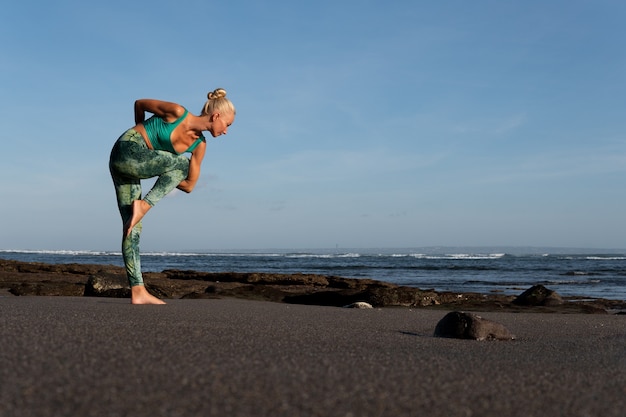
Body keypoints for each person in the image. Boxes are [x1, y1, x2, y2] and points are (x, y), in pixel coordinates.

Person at [109, 88, 236, 304]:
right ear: (216, 116)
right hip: (126, 149)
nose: (226, 131)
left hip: (133, 168)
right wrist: (141, 133)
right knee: (181, 164)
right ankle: (145, 205)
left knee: (132, 227)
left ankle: (137, 290)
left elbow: (188, 186)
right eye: (228, 125)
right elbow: (139, 103)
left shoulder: (199, 146)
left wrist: (163, 172)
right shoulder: (177, 112)